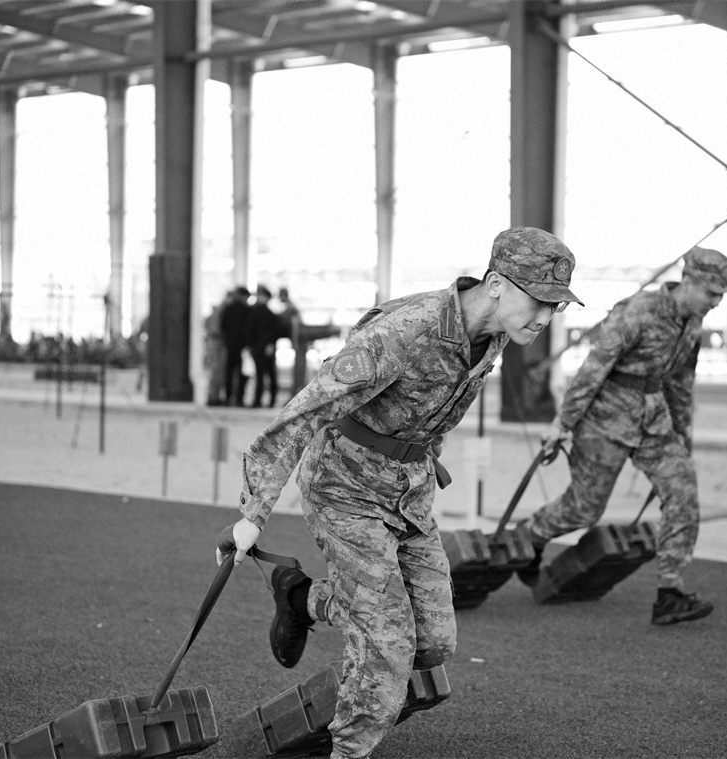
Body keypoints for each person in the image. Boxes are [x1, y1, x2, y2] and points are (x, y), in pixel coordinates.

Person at [216, 227, 583, 759]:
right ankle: (350, 750)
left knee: (434, 641)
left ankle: (300, 598)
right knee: (388, 645)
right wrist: (253, 513)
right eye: (540, 301)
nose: (547, 317)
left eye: (557, 305)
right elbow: (304, 412)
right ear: (497, 284)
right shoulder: (405, 333)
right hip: (344, 486)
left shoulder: (496, 332)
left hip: (407, 493)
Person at [515, 246, 727, 626]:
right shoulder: (638, 311)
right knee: (585, 509)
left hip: (654, 421)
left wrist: (683, 434)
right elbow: (593, 369)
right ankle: (532, 536)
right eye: (712, 293)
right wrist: (562, 424)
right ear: (689, 281)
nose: (717, 302)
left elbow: (681, 383)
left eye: (721, 295)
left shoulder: (693, 325)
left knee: (682, 490)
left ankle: (670, 592)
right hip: (605, 419)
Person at [247, 284, 282, 408]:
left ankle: (260, 400)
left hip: (261, 348)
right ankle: (268, 400)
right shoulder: (266, 314)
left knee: (264, 374)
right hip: (262, 348)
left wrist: (253, 346)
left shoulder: (262, 313)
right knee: (266, 374)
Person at [220, 286, 252, 407]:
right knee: (242, 373)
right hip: (242, 346)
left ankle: (228, 397)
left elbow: (223, 326)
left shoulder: (228, 308)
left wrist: (227, 340)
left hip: (230, 344)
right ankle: (239, 398)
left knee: (229, 372)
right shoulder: (247, 310)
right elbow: (249, 329)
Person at [204, 298, 228, 407]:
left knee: (217, 372)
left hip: (214, 343)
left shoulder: (214, 315)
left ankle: (214, 396)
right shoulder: (218, 314)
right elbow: (215, 330)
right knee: (215, 371)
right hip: (216, 344)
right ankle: (213, 397)